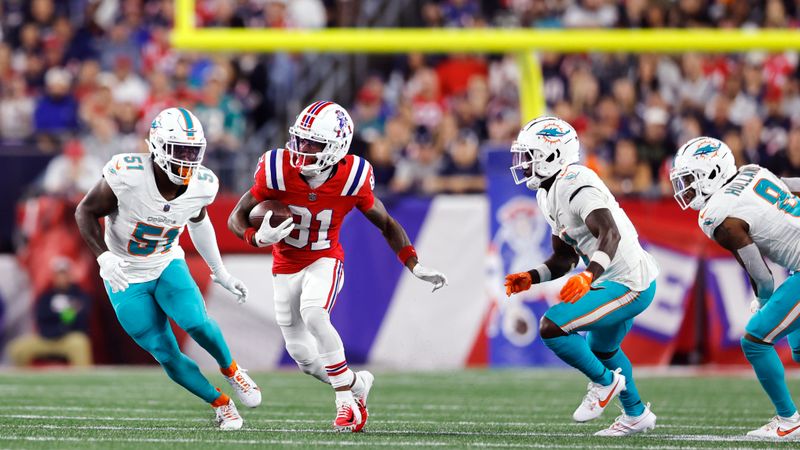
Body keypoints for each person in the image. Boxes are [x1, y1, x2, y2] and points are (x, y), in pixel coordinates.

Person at [227, 101, 448, 432]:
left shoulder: (353, 177)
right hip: (284, 265)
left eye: (313, 144)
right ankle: (357, 383)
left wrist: (414, 265)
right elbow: (236, 217)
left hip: (324, 259)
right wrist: (256, 238)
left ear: (336, 146)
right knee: (303, 357)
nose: (302, 150)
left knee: (315, 313)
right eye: (300, 141)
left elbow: (386, 223)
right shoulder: (276, 168)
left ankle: (346, 404)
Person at [74, 107, 260, 431]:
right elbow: (84, 212)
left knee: (196, 323)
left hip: (165, 263)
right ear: (158, 147)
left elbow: (200, 223)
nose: (188, 160)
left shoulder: (203, 183)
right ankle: (221, 404)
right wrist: (104, 257)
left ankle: (233, 371)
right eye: (180, 151)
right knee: (165, 352)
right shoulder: (127, 174)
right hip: (124, 274)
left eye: (194, 152)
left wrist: (220, 271)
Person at [504, 116, 659, 436]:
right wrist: (531, 277)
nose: (523, 164)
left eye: (529, 155)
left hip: (629, 280)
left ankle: (605, 384)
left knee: (553, 325)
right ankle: (636, 414)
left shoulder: (575, 181)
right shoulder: (546, 193)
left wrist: (590, 275)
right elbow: (564, 258)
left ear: (552, 155)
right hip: (612, 277)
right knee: (604, 349)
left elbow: (610, 234)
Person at [670, 136, 800, 440]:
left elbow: (763, 277)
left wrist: (761, 301)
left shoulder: (719, 214)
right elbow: (792, 185)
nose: (685, 188)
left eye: (690, 179)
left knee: (755, 339)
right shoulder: (752, 172)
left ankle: (789, 420)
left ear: (713, 173)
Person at [8, 257, 92, 367]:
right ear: (54, 277)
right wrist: (65, 316)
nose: (62, 278)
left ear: (70, 276)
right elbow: (41, 317)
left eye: (64, 274)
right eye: (59, 274)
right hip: (46, 338)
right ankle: (23, 382)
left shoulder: (79, 295)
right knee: (17, 348)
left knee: (80, 343)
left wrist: (63, 320)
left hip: (68, 338)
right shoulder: (46, 297)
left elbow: (81, 318)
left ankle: (82, 380)